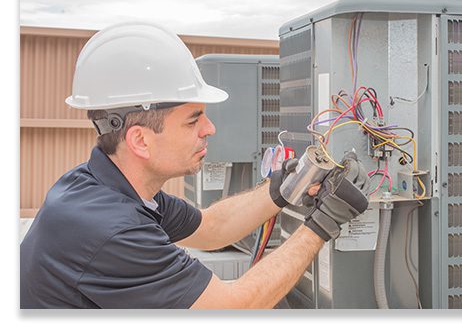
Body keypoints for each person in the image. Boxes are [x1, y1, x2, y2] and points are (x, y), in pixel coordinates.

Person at [20, 22, 370, 309]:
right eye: (193, 120)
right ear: (140, 140)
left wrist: (280, 189)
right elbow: (233, 309)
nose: (210, 129)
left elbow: (211, 227)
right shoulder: (111, 230)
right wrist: (323, 223)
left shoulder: (108, 188)